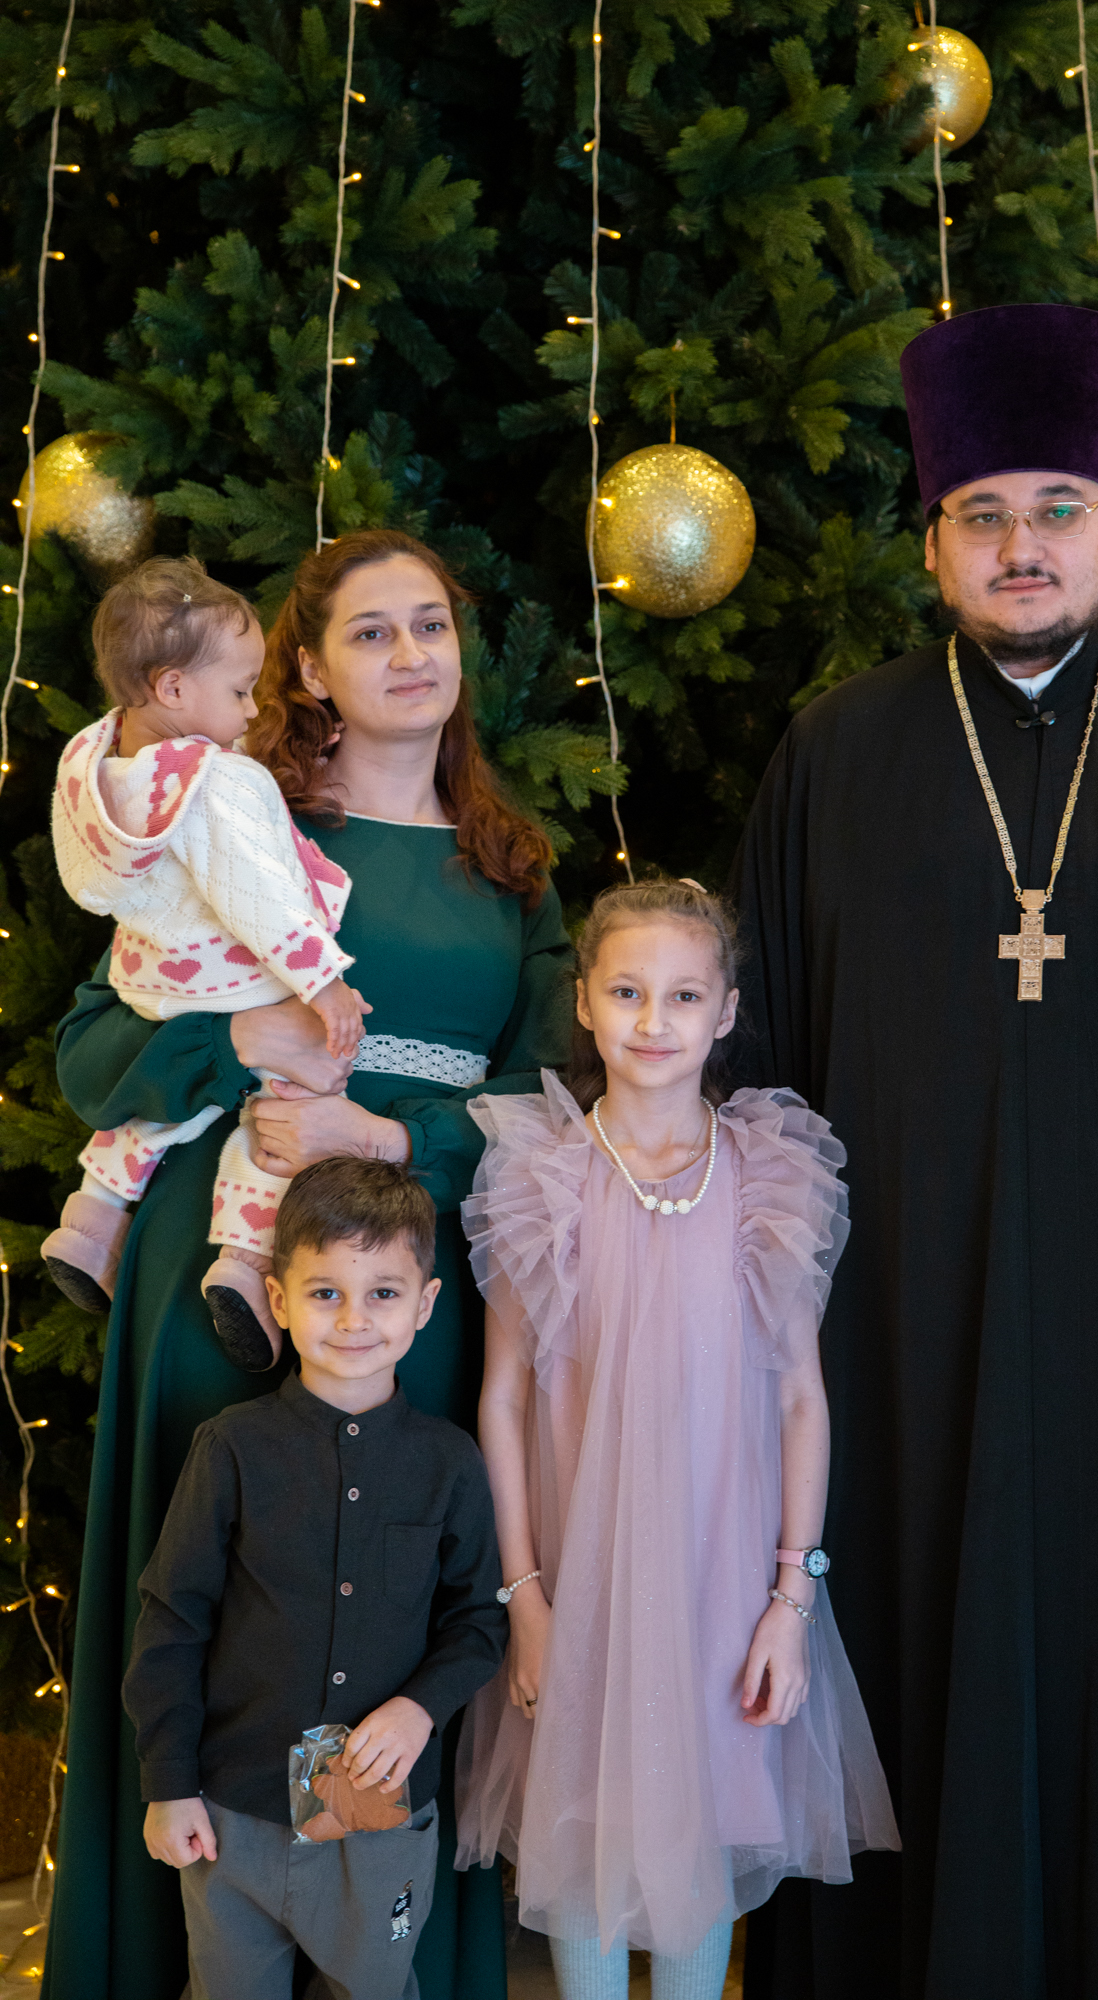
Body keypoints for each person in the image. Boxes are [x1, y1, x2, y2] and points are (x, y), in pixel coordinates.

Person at [731, 300, 1098, 1999]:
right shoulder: (835, 753)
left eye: (1056, 509)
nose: (1021, 547)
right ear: (930, 541)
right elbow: (755, 1082)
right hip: (903, 1362)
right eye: (980, 514)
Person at [41, 528, 573, 2000]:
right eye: (372, 631)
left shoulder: (514, 867)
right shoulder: (229, 810)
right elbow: (91, 1049)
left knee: (400, 1606)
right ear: (312, 667)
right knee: (215, 1603)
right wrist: (241, 1037)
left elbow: (552, 1098)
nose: (411, 653)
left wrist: (396, 1138)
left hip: (418, 1286)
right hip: (230, 1268)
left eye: (432, 625)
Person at [455, 879, 898, 2000]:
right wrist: (525, 1597)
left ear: (725, 1011)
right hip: (579, 1578)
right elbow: (502, 1398)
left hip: (723, 1584)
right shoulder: (539, 1175)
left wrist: (790, 1602)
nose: (654, 1020)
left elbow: (800, 1400)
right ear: (585, 1002)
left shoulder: (767, 1176)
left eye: (684, 995)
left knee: (699, 1832)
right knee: (585, 1829)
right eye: (627, 991)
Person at [123, 1156, 507, 2000]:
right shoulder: (231, 1448)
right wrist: (169, 1787)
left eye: (383, 1292)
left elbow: (479, 1620)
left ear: (425, 1305)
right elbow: (172, 1622)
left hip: (380, 1818)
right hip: (233, 1812)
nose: (354, 1319)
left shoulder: (448, 1463)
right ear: (278, 1298)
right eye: (325, 1292)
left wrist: (418, 1708)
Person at [45, 555, 369, 1366]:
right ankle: (244, 1261)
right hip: (232, 977)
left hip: (153, 978)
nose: (253, 707)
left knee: (164, 1107)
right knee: (287, 1102)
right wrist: (323, 982)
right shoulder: (219, 783)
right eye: (240, 690)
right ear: (172, 688)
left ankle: (92, 1221)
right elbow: (260, 894)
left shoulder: (99, 767)